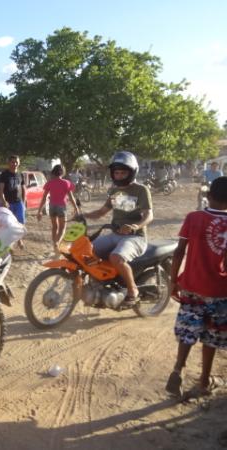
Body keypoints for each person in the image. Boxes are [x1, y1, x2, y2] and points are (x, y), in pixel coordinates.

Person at [165, 176, 227, 398]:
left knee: (187, 331)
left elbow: (179, 252)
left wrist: (173, 281)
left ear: (208, 197)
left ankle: (178, 370)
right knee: (211, 336)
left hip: (191, 287)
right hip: (220, 291)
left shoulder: (194, 218)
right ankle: (204, 381)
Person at [82, 151, 153, 307]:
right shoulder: (114, 191)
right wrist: (83, 215)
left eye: (123, 172)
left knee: (116, 257)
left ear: (132, 172)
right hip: (115, 234)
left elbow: (149, 215)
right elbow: (101, 212)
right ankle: (100, 284)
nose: (119, 175)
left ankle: (132, 290)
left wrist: (135, 226)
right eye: (117, 172)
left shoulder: (141, 190)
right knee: (87, 250)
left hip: (135, 237)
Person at [37, 164, 80, 254]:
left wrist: (39, 210)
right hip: (61, 207)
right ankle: (57, 243)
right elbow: (71, 197)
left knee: (54, 227)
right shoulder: (66, 183)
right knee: (62, 228)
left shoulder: (49, 183)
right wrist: (76, 207)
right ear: (62, 172)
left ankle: (55, 246)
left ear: (54, 171)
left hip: (52, 206)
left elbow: (44, 198)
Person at [0, 155, 26, 248]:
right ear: (9, 163)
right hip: (8, 204)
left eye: (16, 162)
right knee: (9, 224)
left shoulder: (21, 174)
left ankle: (20, 240)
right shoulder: (4, 175)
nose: (14, 164)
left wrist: (24, 202)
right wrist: (4, 201)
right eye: (12, 162)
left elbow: (23, 189)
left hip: (18, 203)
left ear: (19, 163)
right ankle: (10, 244)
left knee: (20, 222)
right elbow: (1, 191)